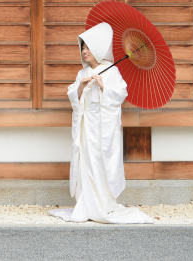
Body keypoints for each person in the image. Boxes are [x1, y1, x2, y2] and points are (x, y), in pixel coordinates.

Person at [49, 22, 154, 224]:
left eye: (88, 47)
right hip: (86, 125)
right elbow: (74, 96)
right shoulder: (82, 73)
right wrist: (80, 87)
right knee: (86, 161)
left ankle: (103, 205)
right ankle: (86, 204)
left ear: (98, 48)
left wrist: (102, 84)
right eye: (83, 48)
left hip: (103, 126)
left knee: (102, 161)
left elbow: (120, 94)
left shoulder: (111, 71)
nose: (85, 51)